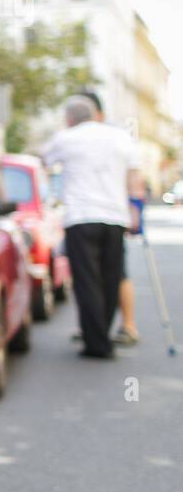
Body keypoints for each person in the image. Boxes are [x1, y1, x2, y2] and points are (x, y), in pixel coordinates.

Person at [42, 95, 143, 358]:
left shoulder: (66, 138)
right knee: (111, 277)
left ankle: (96, 341)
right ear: (96, 114)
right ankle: (101, 333)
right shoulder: (121, 137)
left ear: (69, 119)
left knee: (87, 280)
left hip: (81, 216)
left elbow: (44, 162)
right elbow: (135, 178)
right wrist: (136, 214)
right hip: (115, 217)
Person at [77, 89, 142, 344]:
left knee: (110, 274)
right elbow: (134, 176)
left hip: (101, 216)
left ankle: (123, 325)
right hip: (107, 216)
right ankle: (102, 327)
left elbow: (134, 176)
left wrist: (135, 208)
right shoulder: (113, 137)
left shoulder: (112, 137)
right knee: (104, 274)